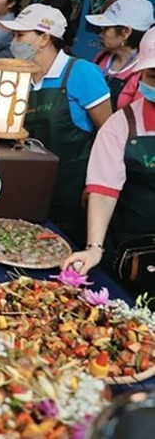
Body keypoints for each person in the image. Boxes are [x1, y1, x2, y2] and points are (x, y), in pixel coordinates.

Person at [0, 3, 112, 246]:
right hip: (27, 184)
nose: (13, 42)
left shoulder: (81, 73)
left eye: (20, 35)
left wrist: (96, 185)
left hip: (69, 189)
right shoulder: (20, 75)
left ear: (44, 38)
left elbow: (110, 135)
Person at [62, 27, 155, 295]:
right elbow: (104, 190)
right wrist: (94, 248)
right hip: (133, 248)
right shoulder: (122, 124)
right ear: (139, 75)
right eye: (153, 75)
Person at [85, 0, 155, 110]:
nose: (100, 34)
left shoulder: (143, 72)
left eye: (105, 28)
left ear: (125, 32)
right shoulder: (101, 58)